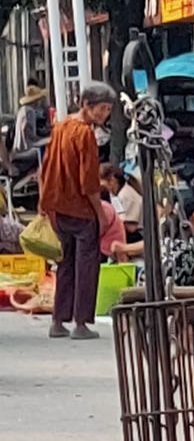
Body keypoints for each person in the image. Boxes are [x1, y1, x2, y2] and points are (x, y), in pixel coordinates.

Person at [39, 80, 116, 341]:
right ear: (86, 105)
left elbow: (45, 168)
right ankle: (81, 323)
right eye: (102, 109)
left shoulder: (61, 126)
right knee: (86, 267)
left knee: (64, 264)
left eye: (107, 110)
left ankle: (58, 320)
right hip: (81, 211)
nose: (105, 115)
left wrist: (46, 204)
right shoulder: (84, 134)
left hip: (60, 208)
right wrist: (101, 212)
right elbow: (89, 181)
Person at [100, 163, 142, 237]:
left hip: (138, 234)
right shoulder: (114, 194)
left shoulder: (125, 195)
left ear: (112, 180)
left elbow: (131, 227)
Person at [12, 79, 48, 155]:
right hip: (26, 148)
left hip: (18, 148)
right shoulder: (30, 111)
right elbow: (28, 132)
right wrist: (42, 139)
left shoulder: (23, 109)